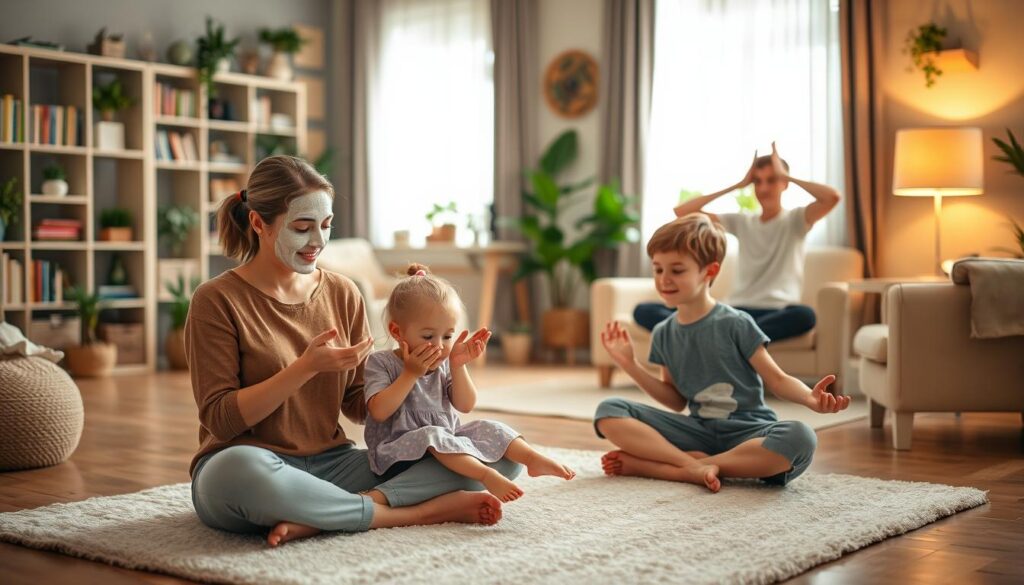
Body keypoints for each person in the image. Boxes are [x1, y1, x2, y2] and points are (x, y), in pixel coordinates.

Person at [186, 155, 522, 547]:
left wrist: (417, 367)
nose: (317, 242)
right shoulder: (216, 300)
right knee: (236, 473)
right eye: (302, 227)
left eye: (326, 226)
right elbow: (220, 420)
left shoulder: (343, 292)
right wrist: (305, 368)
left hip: (334, 466)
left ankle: (329, 512)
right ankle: (412, 513)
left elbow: (361, 407)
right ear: (259, 223)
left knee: (500, 457)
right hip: (249, 462)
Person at [595, 214, 850, 491]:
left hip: (748, 432)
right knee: (609, 410)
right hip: (697, 431)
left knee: (800, 437)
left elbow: (777, 379)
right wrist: (630, 364)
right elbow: (675, 400)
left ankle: (674, 467)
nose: (664, 279)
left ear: (710, 271)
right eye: (658, 270)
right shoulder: (663, 332)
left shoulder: (736, 322)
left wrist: (808, 398)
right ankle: (692, 465)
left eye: (677, 270)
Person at [364, 263, 575, 503]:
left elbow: (465, 405)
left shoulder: (443, 362)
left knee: (488, 426)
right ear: (397, 332)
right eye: (428, 336)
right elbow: (379, 411)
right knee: (431, 434)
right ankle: (485, 475)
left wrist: (458, 364)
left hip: (447, 442)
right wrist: (410, 374)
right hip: (397, 453)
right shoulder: (380, 363)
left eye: (447, 336)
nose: (440, 345)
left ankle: (533, 459)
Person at [634, 142, 841, 342]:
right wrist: (738, 185)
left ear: (784, 184)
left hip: (778, 309)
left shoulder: (795, 220)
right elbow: (683, 212)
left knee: (805, 316)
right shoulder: (743, 221)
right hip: (736, 309)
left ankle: (717, 336)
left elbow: (832, 197)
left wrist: (787, 175)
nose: (763, 188)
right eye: (757, 181)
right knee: (643, 310)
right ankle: (731, 336)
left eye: (771, 180)